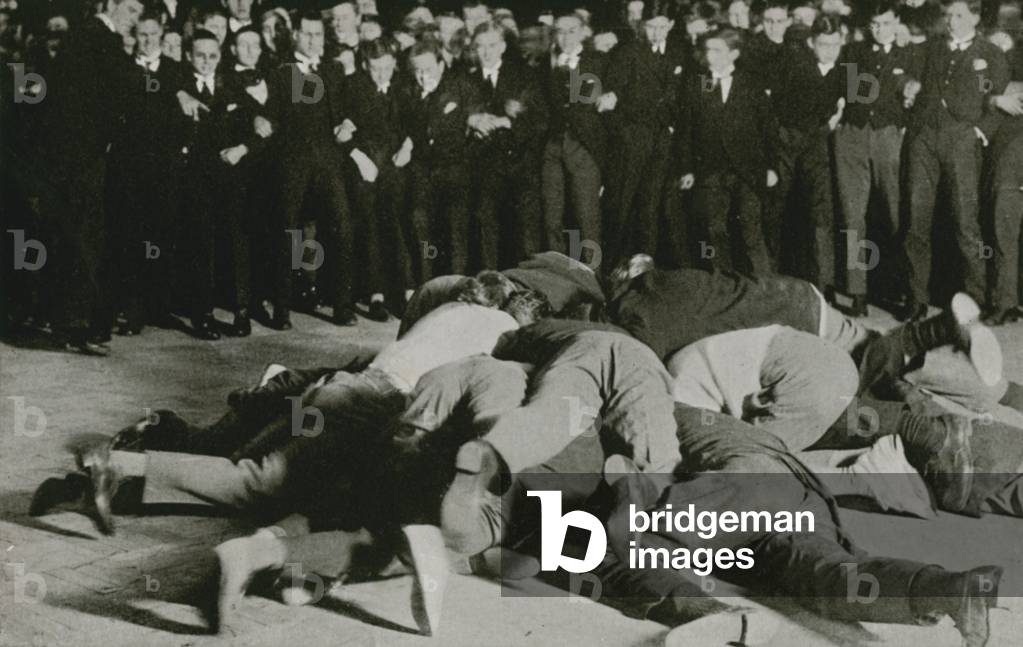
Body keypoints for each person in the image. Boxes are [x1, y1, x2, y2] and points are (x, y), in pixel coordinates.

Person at [37, 0, 144, 355]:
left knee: (85, 235)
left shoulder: (88, 38)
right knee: (84, 236)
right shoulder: (95, 38)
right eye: (130, 9)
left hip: (81, 156)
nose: (135, 18)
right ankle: (77, 325)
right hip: (83, 157)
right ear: (111, 4)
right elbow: (119, 90)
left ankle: (78, 321)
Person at [903, 0, 1009, 320]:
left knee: (966, 223)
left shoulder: (990, 55)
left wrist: (978, 132)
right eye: (948, 15)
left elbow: (997, 102)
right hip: (924, 139)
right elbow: (906, 75)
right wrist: (906, 86)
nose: (952, 21)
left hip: (961, 141)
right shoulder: (932, 48)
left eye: (959, 15)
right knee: (915, 221)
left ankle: (973, 301)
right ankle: (916, 298)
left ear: (976, 17)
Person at [258, 11, 357, 329]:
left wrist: (347, 124)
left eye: (318, 35)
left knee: (342, 226)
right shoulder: (280, 73)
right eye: (307, 34)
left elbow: (346, 111)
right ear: (296, 37)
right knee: (288, 231)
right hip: (293, 163)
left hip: (328, 162)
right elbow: (269, 113)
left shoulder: (334, 70)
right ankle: (282, 310)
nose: (313, 40)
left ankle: (342, 306)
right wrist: (260, 120)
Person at [833, 0, 921, 316]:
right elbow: (844, 90)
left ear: (896, 22)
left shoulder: (910, 54)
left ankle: (908, 291)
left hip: (889, 138)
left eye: (885, 23)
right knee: (852, 216)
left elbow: (917, 92)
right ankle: (857, 292)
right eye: (874, 24)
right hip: (853, 136)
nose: (879, 29)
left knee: (898, 216)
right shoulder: (854, 52)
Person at [676, 27, 779, 276]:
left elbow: (768, 130)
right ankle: (722, 284)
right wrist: (687, 168)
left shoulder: (752, 84)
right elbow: (686, 130)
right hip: (710, 170)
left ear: (733, 54)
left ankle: (764, 290)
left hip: (748, 170)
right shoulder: (696, 83)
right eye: (708, 50)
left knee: (750, 230)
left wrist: (771, 167)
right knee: (713, 230)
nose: (710, 55)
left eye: (717, 50)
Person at [603, 2, 689, 262]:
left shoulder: (680, 53)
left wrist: (673, 126)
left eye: (662, 27)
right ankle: (612, 267)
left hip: (663, 140)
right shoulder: (628, 52)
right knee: (622, 206)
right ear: (642, 26)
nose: (656, 32)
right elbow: (609, 98)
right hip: (633, 140)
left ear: (671, 26)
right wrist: (625, 133)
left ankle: (645, 268)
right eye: (651, 27)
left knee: (650, 208)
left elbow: (684, 97)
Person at [339, 36, 410, 321]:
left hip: (393, 166)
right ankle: (375, 294)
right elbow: (341, 133)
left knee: (395, 223)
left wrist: (408, 146)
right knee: (369, 226)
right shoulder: (353, 88)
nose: (382, 74)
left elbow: (411, 124)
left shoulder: (400, 88)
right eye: (375, 68)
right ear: (365, 65)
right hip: (364, 167)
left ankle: (404, 291)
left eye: (387, 67)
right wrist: (360, 158)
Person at [770, 15, 844, 287]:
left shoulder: (847, 69)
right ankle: (771, 280)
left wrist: (841, 110)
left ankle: (822, 285)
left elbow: (863, 99)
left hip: (818, 143)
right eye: (824, 44)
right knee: (776, 207)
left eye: (835, 44)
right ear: (812, 43)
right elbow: (774, 106)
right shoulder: (792, 65)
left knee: (820, 212)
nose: (830, 50)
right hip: (787, 139)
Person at [467, 20, 548, 270]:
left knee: (527, 231)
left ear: (502, 47)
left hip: (519, 163)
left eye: (492, 45)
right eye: (480, 46)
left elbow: (541, 121)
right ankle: (489, 287)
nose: (486, 52)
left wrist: (508, 123)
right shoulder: (464, 79)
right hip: (483, 165)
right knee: (485, 225)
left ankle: (529, 291)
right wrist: (470, 121)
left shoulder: (523, 76)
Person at [401, 38, 483, 279]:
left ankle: (456, 287)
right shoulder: (409, 91)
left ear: (441, 64)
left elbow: (475, 128)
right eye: (417, 70)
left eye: (427, 68)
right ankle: (428, 284)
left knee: (455, 232)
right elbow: (407, 128)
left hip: (455, 168)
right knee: (422, 229)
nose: (422, 75)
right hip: (423, 169)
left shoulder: (463, 86)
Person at [540, 10, 612, 257]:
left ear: (583, 32)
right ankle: (558, 280)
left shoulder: (599, 61)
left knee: (587, 220)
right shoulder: (546, 64)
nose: (566, 37)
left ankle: (593, 283)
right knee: (552, 219)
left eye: (572, 31)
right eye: (560, 32)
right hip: (553, 147)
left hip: (584, 147)